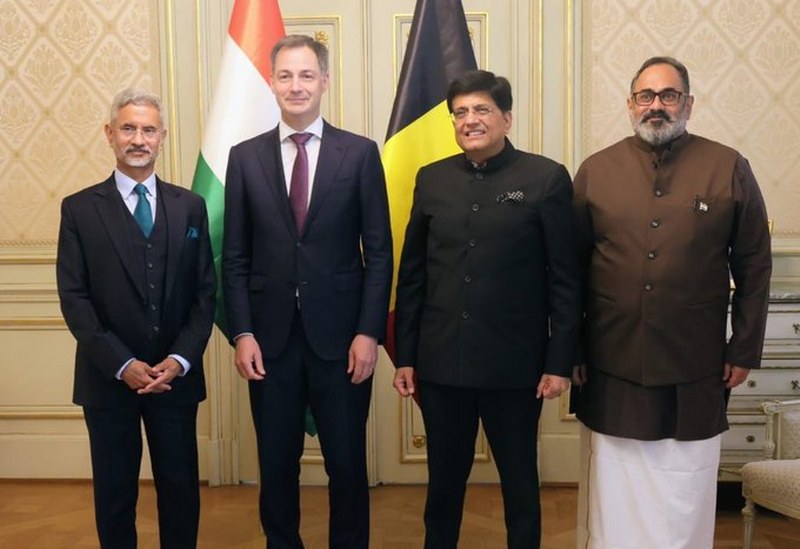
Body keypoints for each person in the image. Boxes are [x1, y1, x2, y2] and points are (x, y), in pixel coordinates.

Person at [572, 56, 772, 548]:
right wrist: (569, 349)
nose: (656, 105)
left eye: (668, 95)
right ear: (630, 104)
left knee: (684, 486)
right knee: (616, 489)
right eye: (646, 95)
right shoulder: (596, 170)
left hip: (694, 361)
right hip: (612, 358)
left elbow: (753, 266)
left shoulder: (728, 167)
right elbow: (569, 271)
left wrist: (744, 348)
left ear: (688, 103)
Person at [393, 69, 582, 549]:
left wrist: (559, 362)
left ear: (506, 118)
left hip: (516, 368)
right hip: (441, 365)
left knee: (520, 483)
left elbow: (565, 279)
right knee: (443, 485)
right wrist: (406, 356)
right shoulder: (432, 179)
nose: (469, 120)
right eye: (460, 112)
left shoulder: (545, 178)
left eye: (481, 110)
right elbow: (413, 277)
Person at [222, 35, 393, 549]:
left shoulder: (359, 153)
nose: (296, 85)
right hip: (269, 341)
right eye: (285, 76)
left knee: (347, 463)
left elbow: (379, 254)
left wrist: (368, 333)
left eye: (306, 75)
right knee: (276, 463)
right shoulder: (244, 157)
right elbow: (235, 257)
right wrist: (242, 333)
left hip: (342, 340)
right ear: (272, 83)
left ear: (324, 81)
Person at [56, 89, 217, 549]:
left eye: (148, 130)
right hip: (107, 380)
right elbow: (75, 298)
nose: (138, 139)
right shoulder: (79, 209)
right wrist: (122, 364)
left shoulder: (190, 206)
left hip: (174, 381)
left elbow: (205, 293)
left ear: (162, 137)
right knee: (114, 494)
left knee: (181, 492)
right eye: (128, 128)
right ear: (110, 134)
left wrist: (180, 360)